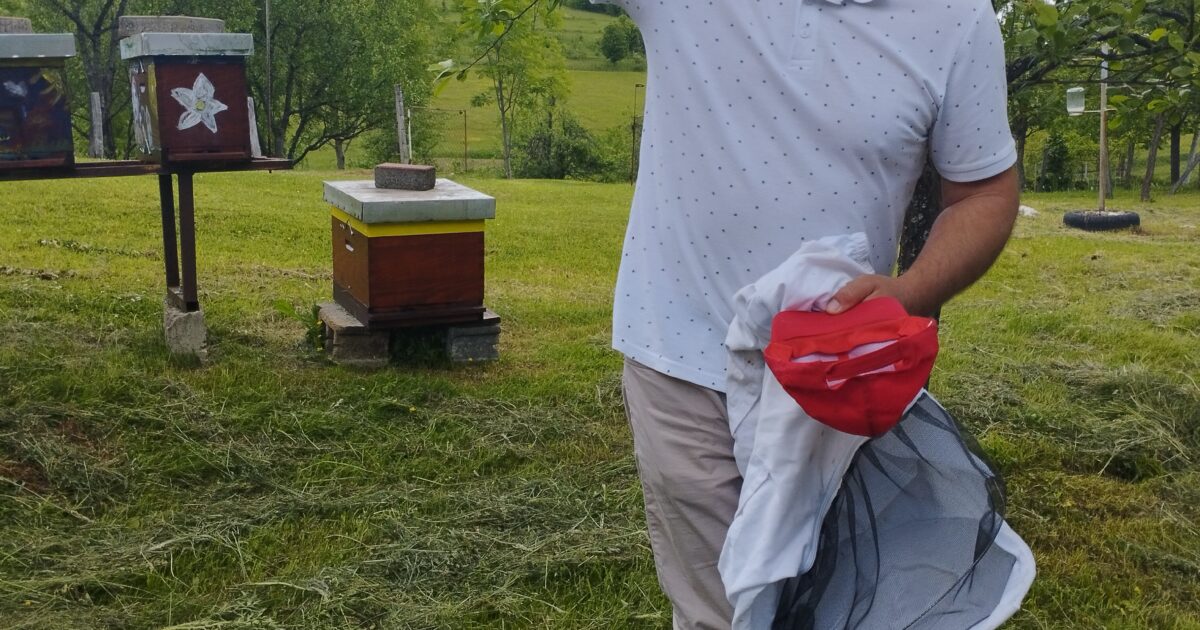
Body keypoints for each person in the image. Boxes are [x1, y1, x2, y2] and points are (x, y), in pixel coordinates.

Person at [595, 0, 1022, 627]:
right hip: (681, 353)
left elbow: (983, 190)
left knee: (833, 596)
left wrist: (908, 294)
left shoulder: (956, 16)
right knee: (719, 612)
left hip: (840, 379)